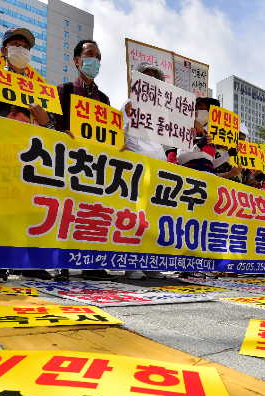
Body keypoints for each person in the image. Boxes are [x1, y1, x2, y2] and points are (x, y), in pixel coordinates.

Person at [0, 27, 56, 282]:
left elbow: (49, 131)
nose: (22, 49)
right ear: (4, 50)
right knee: (0, 208)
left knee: (31, 209)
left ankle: (32, 262)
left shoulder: (39, 87)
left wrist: (46, 121)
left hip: (29, 156)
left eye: (26, 46)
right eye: (16, 44)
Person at [54, 39, 115, 282]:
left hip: (95, 166)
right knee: (65, 212)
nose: (95, 61)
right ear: (77, 60)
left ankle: (92, 262)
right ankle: (61, 262)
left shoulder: (104, 99)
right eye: (90, 55)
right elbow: (52, 127)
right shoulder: (64, 90)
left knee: (92, 212)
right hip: (68, 162)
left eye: (98, 57)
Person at [121, 62, 167, 280]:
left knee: (154, 218)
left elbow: (166, 145)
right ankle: (131, 264)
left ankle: (151, 264)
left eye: (155, 79)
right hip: (136, 169)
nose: (151, 82)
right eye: (146, 77)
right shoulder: (127, 106)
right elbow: (121, 137)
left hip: (158, 170)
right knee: (136, 217)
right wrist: (129, 117)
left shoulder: (163, 115)